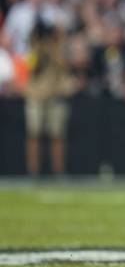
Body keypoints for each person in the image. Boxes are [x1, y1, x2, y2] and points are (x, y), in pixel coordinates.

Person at [23, 22, 77, 176]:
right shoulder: (35, 47)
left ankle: (58, 170)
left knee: (58, 135)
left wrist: (55, 45)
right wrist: (39, 44)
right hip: (37, 94)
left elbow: (65, 65)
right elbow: (32, 66)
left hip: (56, 94)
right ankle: (32, 171)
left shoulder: (59, 48)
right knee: (33, 134)